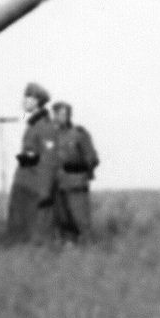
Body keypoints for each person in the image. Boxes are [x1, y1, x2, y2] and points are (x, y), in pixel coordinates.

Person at [7, 82, 59, 244]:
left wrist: (44, 191)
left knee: (37, 234)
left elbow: (48, 160)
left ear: (38, 101)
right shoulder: (33, 124)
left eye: (28, 98)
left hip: (35, 185)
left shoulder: (44, 127)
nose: (24, 101)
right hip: (25, 182)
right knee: (20, 231)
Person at [51, 102, 99, 242]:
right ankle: (69, 255)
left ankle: (90, 254)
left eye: (66, 114)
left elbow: (92, 159)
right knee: (63, 224)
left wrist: (76, 166)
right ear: (54, 115)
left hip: (76, 185)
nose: (63, 117)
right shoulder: (51, 136)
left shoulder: (79, 134)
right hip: (57, 186)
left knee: (82, 222)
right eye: (59, 114)